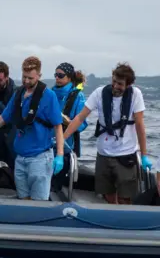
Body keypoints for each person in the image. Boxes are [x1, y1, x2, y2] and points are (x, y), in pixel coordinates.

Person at [0, 56, 64, 201]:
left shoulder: (49, 96)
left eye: (30, 78)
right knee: (23, 199)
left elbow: (58, 126)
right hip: (20, 158)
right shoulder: (19, 93)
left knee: (39, 202)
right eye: (24, 77)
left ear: (39, 76)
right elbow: (4, 117)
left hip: (40, 158)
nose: (26, 81)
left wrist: (60, 154)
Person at [64, 63, 153, 204]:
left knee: (125, 197)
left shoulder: (136, 95)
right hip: (104, 154)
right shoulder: (99, 93)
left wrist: (144, 155)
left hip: (126, 154)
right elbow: (80, 117)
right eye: (114, 81)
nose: (116, 86)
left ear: (128, 85)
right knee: (107, 194)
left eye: (120, 84)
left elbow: (140, 125)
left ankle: (125, 222)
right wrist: (63, 138)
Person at [50, 63, 88, 191]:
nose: (57, 78)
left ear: (70, 78)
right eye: (56, 75)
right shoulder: (50, 94)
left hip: (66, 144)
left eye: (60, 75)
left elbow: (82, 123)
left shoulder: (78, 97)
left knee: (56, 182)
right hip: (47, 142)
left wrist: (69, 122)